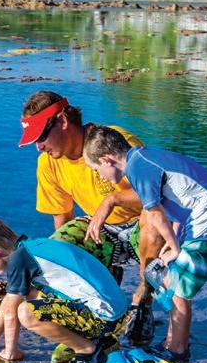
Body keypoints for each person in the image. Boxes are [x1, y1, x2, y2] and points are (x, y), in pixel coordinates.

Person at [82, 125, 207, 363]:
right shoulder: (142, 159)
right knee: (165, 277)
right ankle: (171, 343)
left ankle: (177, 352)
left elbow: (154, 213)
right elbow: (179, 197)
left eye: (96, 170)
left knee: (177, 285)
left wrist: (174, 246)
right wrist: (175, 238)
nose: (99, 176)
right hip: (198, 221)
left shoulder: (138, 168)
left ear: (106, 160)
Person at [18, 91, 159, 334]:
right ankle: (92, 311)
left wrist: (112, 200)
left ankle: (143, 297)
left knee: (152, 216)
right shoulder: (48, 162)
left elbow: (158, 192)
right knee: (59, 244)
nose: (39, 147)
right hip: (102, 232)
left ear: (63, 121)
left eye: (41, 136)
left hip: (145, 227)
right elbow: (62, 219)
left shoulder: (113, 142)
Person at [0, 214, 127, 363]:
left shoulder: (18, 260)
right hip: (115, 312)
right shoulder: (31, 248)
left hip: (104, 318)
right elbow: (9, 302)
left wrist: (11, 352)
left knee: (26, 312)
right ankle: (98, 339)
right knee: (31, 294)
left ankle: (88, 350)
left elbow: (10, 314)